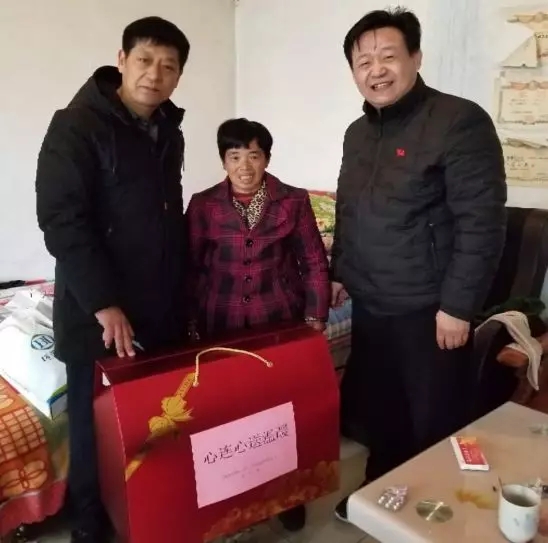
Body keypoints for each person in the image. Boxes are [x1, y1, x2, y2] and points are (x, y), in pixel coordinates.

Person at [331, 8, 507, 521]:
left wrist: (458, 307)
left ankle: (435, 515)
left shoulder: (459, 121)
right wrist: (340, 271)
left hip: (430, 309)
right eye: (363, 61)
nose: (376, 70)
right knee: (381, 413)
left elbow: (481, 221)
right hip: (372, 301)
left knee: (435, 420)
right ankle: (378, 497)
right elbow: (350, 209)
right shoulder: (357, 133)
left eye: (388, 56)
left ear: (416, 57)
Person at [35, 17, 190, 543]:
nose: (155, 74)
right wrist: (104, 303)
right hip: (97, 312)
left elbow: (168, 216)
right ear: (121, 60)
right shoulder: (77, 125)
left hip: (159, 304)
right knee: (93, 422)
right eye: (144, 60)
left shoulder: (168, 130)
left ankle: (147, 508)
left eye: (168, 67)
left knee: (153, 418)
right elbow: (62, 220)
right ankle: (89, 522)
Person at [185, 118, 330, 531]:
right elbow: (189, 267)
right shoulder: (203, 204)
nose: (244, 166)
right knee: (227, 414)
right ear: (223, 161)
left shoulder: (293, 201)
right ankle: (233, 495)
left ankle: (287, 495)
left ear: (266, 158)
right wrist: (189, 322)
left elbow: (313, 261)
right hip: (220, 321)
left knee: (280, 412)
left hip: (277, 320)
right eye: (235, 156)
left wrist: (315, 318)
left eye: (253, 155)